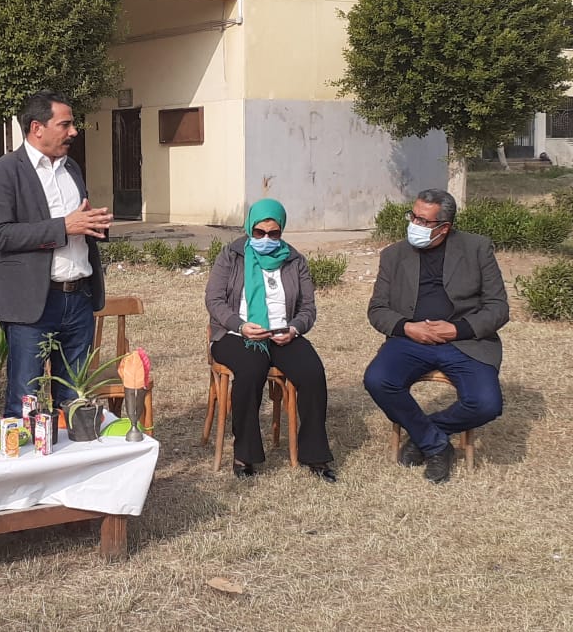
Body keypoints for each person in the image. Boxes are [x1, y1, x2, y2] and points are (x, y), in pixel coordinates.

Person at [0, 90, 113, 418]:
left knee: (75, 400)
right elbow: (1, 235)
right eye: (65, 124)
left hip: (79, 298)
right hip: (33, 306)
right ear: (37, 128)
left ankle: (72, 450)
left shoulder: (72, 169)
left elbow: (77, 223)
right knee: (25, 403)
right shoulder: (4, 171)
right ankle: (25, 451)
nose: (74, 132)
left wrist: (93, 225)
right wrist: (64, 227)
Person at [363, 188, 509, 484]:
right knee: (378, 380)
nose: (414, 224)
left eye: (423, 221)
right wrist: (407, 327)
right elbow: (377, 309)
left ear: (444, 227)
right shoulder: (393, 255)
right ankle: (437, 446)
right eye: (413, 216)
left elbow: (498, 308)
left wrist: (457, 329)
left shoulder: (477, 249)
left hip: (465, 342)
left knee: (487, 404)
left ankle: (425, 435)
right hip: (410, 340)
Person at [204, 199, 336, 482]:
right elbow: (214, 300)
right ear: (249, 228)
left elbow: (308, 308)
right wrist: (240, 326)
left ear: (282, 231)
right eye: (259, 232)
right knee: (251, 368)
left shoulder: (294, 260)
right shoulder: (231, 256)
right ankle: (245, 454)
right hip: (236, 334)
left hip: (281, 333)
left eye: (273, 233)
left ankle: (315, 454)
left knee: (312, 372)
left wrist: (294, 329)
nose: (266, 239)